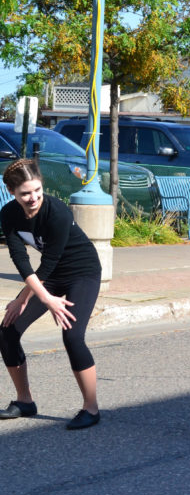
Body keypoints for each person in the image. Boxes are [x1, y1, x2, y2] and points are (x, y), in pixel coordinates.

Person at [0, 159, 102, 430]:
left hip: (82, 272)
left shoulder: (57, 212)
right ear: (11, 191)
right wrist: (25, 299)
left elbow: (49, 261)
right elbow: (19, 258)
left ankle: (91, 408)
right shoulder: (9, 214)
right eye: (25, 193)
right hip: (51, 277)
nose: (32, 198)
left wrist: (39, 298)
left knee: (72, 334)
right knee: (7, 329)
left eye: (37, 191)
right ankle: (25, 401)